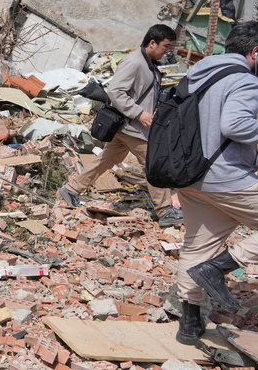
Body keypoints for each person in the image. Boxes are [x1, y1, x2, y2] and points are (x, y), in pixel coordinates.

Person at [173, 21, 258, 345]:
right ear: (255, 53)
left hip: (189, 175)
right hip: (226, 177)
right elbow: (235, 125)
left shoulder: (198, 71)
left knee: (197, 245)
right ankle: (219, 268)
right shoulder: (245, 81)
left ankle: (189, 326)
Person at [58, 24, 183, 227]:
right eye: (166, 46)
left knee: (106, 160)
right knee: (153, 165)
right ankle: (165, 210)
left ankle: (72, 189)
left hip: (128, 126)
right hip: (133, 127)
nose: (167, 51)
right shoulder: (135, 62)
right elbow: (115, 91)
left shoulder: (148, 62)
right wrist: (139, 113)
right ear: (152, 43)